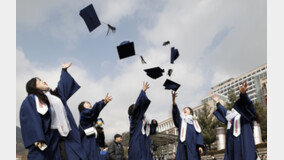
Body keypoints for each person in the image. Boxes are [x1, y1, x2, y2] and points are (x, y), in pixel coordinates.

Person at [20, 62, 88, 160]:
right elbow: (30, 118)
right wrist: (36, 137)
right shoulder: (32, 99)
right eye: (39, 81)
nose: (43, 81)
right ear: (33, 87)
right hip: (48, 135)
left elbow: (62, 85)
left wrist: (64, 71)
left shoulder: (56, 96)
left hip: (66, 134)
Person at [212, 82, 256, 160]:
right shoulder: (230, 117)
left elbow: (249, 106)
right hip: (232, 147)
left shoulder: (246, 116)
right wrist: (217, 102)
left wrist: (243, 95)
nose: (234, 108)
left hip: (244, 144)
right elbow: (223, 111)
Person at [128, 82, 158, 160]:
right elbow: (138, 107)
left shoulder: (144, 123)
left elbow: (152, 131)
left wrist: (153, 124)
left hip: (145, 147)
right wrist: (143, 92)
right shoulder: (134, 120)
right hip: (137, 147)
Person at [171, 91, 204, 160]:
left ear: (191, 112)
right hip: (182, 145)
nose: (185, 110)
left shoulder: (195, 122)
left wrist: (200, 146)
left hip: (193, 146)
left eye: (187, 109)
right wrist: (174, 101)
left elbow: (199, 134)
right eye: (184, 109)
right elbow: (176, 114)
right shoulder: (181, 121)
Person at [78, 93, 112, 160]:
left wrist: (100, 132)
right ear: (82, 107)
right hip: (87, 148)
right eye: (87, 103)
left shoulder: (94, 123)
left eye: (89, 103)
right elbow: (91, 113)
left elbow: (101, 143)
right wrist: (103, 102)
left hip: (95, 149)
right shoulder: (83, 114)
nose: (89, 104)